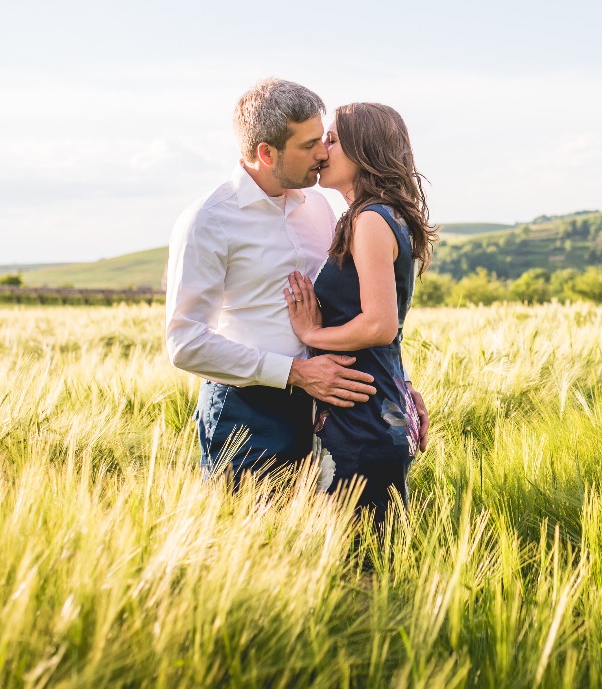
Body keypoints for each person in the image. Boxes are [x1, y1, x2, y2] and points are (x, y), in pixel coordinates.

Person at [165, 78, 427, 483]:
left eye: (324, 139)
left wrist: (396, 383)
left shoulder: (320, 208)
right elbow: (184, 344)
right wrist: (294, 372)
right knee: (250, 540)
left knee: (322, 542)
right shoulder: (209, 221)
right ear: (266, 153)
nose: (322, 153)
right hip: (247, 414)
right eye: (309, 145)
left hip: (328, 409)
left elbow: (356, 307)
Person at [284, 102, 433, 523]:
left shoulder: (369, 219)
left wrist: (311, 335)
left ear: (363, 150)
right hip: (372, 402)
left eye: (331, 140)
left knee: (359, 564)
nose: (321, 151)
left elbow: (380, 325)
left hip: (362, 417)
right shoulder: (383, 216)